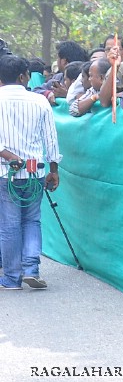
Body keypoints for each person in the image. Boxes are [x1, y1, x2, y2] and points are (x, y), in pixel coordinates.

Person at [0, 55, 61, 290]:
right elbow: (51, 140)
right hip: (35, 171)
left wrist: (7, 156)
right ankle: (31, 269)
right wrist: (54, 169)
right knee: (32, 221)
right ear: (24, 76)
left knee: (9, 224)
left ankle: (12, 277)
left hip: (6, 172)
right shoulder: (39, 101)